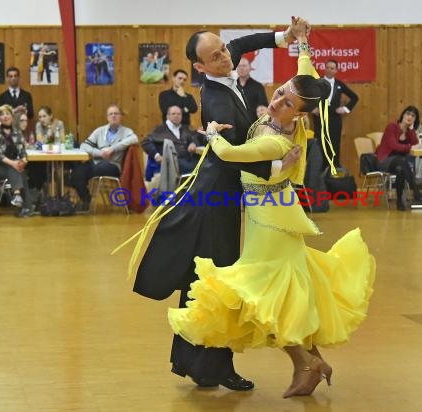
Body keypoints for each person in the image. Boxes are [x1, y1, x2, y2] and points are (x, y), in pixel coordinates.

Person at [168, 29, 375, 398]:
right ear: (202, 65)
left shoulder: (276, 138)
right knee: (279, 292)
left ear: (300, 113)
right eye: (279, 92)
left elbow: (230, 154)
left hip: (269, 216)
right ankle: (307, 362)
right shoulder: (233, 102)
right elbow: (300, 73)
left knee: (266, 294)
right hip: (269, 212)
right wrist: (296, 40)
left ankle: (306, 363)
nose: (276, 100)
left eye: (287, 102)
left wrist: (212, 135)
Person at [131, 17, 308, 391]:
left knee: (206, 280)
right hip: (216, 198)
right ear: (200, 67)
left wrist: (285, 37)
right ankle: (212, 367)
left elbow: (244, 41)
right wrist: (277, 165)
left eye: (223, 50)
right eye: (216, 56)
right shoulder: (214, 101)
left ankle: (196, 364)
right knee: (218, 281)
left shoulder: (226, 58)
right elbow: (232, 155)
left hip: (223, 195)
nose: (227, 58)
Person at [71, 104, 138, 210]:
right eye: (111, 114)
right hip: (96, 162)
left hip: (113, 165)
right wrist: (99, 153)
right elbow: (84, 145)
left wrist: (113, 148)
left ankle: (84, 195)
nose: (113, 116)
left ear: (121, 116)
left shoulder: (126, 131)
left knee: (101, 167)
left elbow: (135, 139)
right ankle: (86, 200)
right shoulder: (100, 131)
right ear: (107, 117)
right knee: (77, 173)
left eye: (116, 114)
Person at [312, 59, 359, 169]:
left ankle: (333, 172)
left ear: (336, 70)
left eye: (332, 68)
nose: (329, 70)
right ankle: (319, 173)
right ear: (324, 68)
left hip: (334, 120)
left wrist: (346, 109)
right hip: (320, 119)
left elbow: (355, 97)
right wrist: (312, 108)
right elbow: (305, 98)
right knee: (320, 145)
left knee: (334, 146)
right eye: (327, 67)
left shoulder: (339, 84)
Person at [376, 106, 422, 210]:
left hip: (399, 164)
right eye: (408, 114)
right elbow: (394, 146)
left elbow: (415, 143)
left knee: (400, 168)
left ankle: (399, 202)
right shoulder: (392, 127)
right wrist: (410, 147)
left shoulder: (408, 131)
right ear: (403, 115)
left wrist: (411, 129)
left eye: (413, 116)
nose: (409, 117)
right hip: (384, 160)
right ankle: (415, 190)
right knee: (400, 161)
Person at [0, 105, 33, 217]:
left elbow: (23, 151)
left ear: (12, 117)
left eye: (8, 114)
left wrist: (23, 161)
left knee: (20, 170)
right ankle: (22, 201)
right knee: (15, 169)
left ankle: (22, 203)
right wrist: (14, 164)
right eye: (2, 114)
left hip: (14, 164)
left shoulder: (17, 132)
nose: (5, 116)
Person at [141, 105, 200, 174]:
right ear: (167, 116)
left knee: (205, 163)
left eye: (179, 114)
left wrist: (193, 143)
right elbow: (145, 142)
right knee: (199, 169)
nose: (176, 116)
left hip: (187, 158)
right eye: (173, 114)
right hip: (172, 162)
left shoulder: (184, 129)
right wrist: (156, 155)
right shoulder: (160, 130)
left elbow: (194, 137)